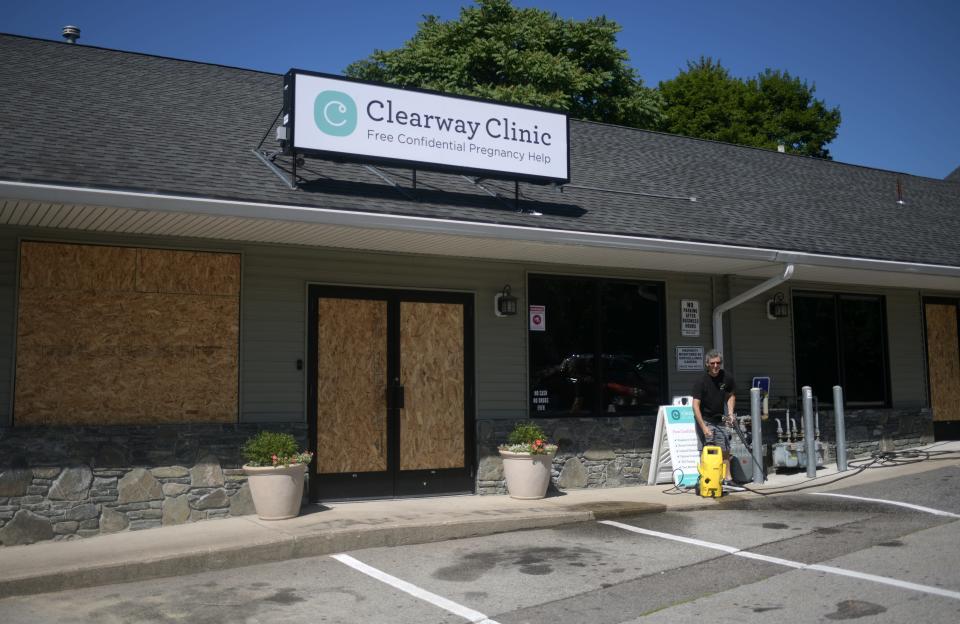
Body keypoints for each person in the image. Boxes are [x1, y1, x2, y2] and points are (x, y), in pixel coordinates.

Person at [692, 349, 736, 485]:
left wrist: (730, 413)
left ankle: (727, 479)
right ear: (707, 364)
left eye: (718, 363)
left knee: (725, 449)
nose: (716, 366)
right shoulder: (701, 381)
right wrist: (704, 427)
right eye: (712, 363)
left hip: (720, 419)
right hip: (705, 419)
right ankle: (707, 479)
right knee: (707, 450)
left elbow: (730, 395)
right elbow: (695, 406)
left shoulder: (726, 377)